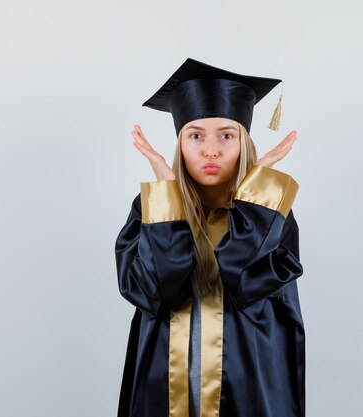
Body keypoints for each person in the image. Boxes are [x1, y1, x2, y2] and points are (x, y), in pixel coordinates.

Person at [114, 58, 305, 417]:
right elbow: (155, 293)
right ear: (180, 143)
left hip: (249, 394)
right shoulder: (151, 210)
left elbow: (246, 283)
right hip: (163, 392)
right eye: (196, 135)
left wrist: (258, 191)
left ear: (244, 141)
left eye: (226, 135)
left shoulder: (272, 213)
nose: (211, 150)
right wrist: (167, 194)